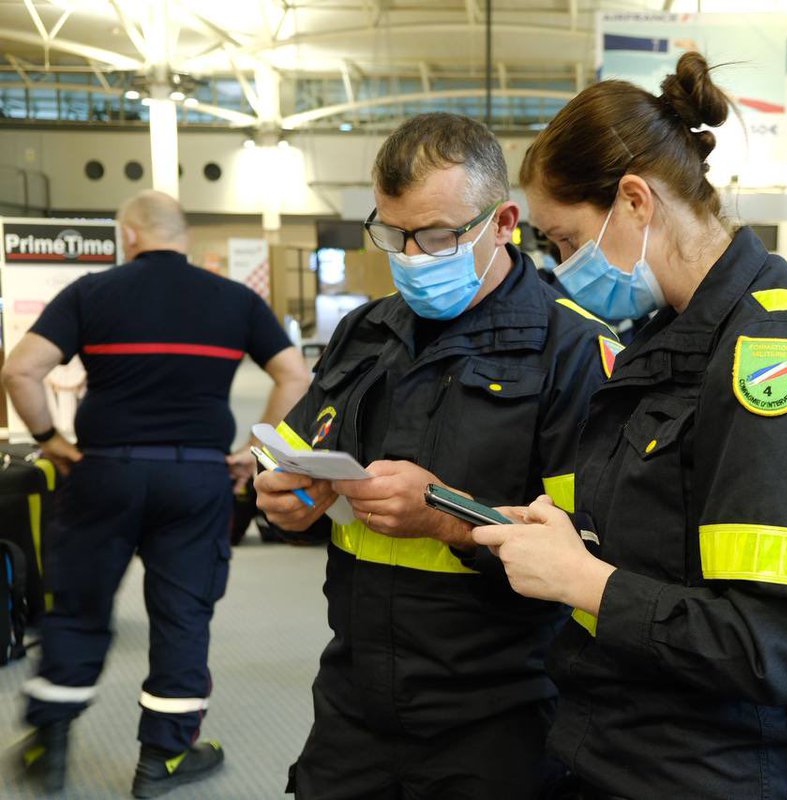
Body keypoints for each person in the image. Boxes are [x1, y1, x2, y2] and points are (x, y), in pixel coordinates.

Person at [471, 53, 787, 800]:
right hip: (616, 740)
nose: (561, 269)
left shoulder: (781, 360)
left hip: (713, 766)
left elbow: (777, 646)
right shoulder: (669, 339)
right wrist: (564, 534)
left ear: (635, 201)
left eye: (564, 241)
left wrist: (585, 579)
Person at [254, 112, 613, 800]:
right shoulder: (364, 332)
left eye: (440, 235)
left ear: (504, 221)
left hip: (500, 711)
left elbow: (594, 544)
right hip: (355, 698)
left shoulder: (570, 351)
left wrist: (445, 516)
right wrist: (281, 501)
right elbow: (297, 459)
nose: (414, 255)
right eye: (394, 234)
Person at [2, 190, 310, 797]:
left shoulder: (90, 293)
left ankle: (48, 741)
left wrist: (50, 439)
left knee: (80, 607)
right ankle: (163, 759)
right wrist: (256, 449)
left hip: (104, 473)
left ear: (129, 234)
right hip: (197, 479)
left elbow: (19, 370)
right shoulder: (236, 299)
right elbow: (294, 373)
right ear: (186, 236)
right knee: (183, 614)